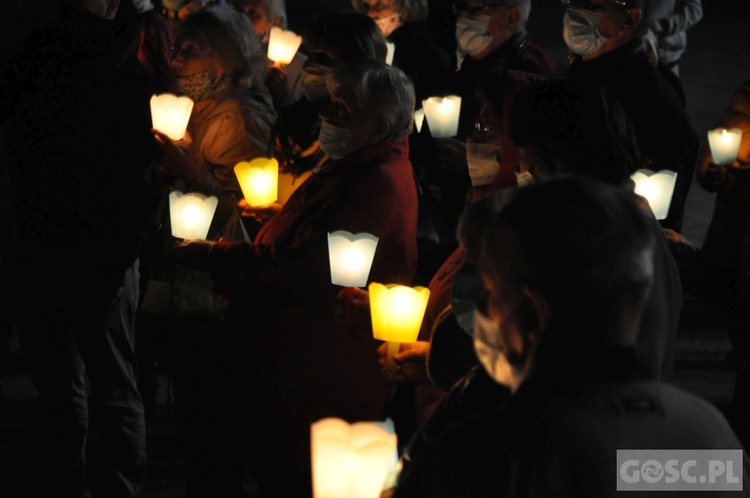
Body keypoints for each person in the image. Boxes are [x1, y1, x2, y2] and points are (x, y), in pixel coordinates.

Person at [390, 175, 750, 498]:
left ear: (532, 312)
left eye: (488, 290)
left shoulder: (490, 459)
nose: (479, 309)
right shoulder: (708, 438)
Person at [172, 58, 419, 497]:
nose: (326, 115)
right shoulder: (354, 169)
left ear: (380, 126)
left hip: (317, 376)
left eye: (343, 108)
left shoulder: (375, 183)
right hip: (299, 367)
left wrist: (216, 255)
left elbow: (306, 272)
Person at [0, 0, 156, 495]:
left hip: (49, 242)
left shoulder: (29, 55)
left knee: (71, 389)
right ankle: (112, 486)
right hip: (86, 248)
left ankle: (72, 483)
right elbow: (139, 178)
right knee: (106, 387)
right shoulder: (127, 68)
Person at [561, 0, 699, 231]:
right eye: (573, 2)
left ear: (629, 19)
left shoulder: (649, 99)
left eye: (593, 6)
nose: (575, 13)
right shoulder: (582, 76)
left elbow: (656, 214)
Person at [648, 0, 702, 77]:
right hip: (636, 49)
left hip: (666, 53)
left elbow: (695, 10)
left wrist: (666, 25)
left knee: (665, 87)